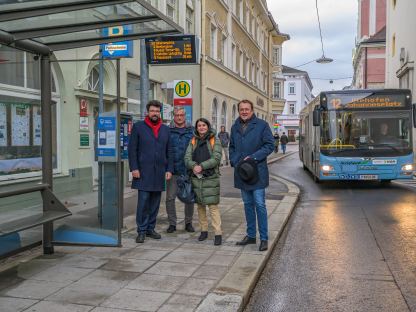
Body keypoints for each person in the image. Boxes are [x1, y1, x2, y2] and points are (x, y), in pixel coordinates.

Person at [229, 99, 274, 251]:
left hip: (257, 172)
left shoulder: (262, 125)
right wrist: (235, 161)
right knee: (248, 205)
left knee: (260, 204)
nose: (244, 111)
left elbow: (269, 146)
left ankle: (264, 238)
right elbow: (232, 147)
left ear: (252, 110)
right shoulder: (235, 127)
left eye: (247, 109)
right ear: (239, 111)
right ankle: (251, 236)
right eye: (241, 109)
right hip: (242, 172)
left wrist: (253, 158)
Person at [128, 100, 173, 244]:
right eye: (152, 111)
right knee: (143, 203)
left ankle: (150, 229)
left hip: (159, 172)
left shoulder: (166, 129)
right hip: (143, 172)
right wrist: (134, 168)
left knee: (155, 203)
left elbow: (169, 151)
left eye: (157, 111)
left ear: (160, 113)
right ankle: (141, 230)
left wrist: (169, 169)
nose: (155, 113)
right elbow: (132, 150)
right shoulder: (138, 127)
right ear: (147, 112)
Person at [184, 118, 223, 246]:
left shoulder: (214, 139)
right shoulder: (193, 140)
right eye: (199, 125)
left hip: (210, 177)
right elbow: (187, 158)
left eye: (203, 125)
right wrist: (194, 166)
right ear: (196, 128)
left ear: (208, 126)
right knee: (200, 206)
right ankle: (204, 231)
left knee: (213, 206)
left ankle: (218, 233)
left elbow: (216, 158)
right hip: (196, 177)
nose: (201, 127)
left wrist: (202, 166)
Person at [166, 106, 195, 233]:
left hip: (188, 170)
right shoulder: (168, 131)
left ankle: (188, 222)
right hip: (173, 170)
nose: (179, 117)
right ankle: (172, 223)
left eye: (181, 115)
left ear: (185, 116)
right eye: (177, 115)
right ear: (173, 116)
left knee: (189, 197)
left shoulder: (192, 131)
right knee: (170, 198)